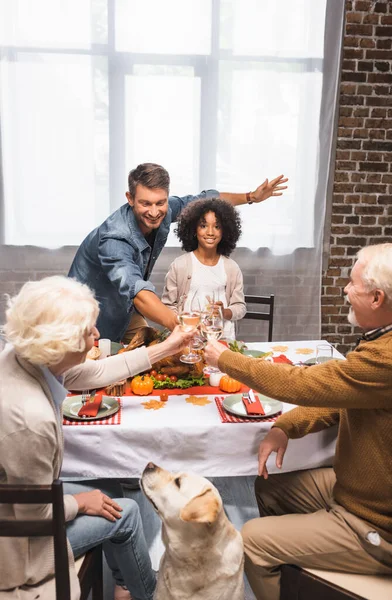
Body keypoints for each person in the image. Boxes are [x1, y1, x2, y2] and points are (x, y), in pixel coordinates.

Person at [204, 242, 392, 600]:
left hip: (380, 527)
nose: (344, 290)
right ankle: (294, 575)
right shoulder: (383, 338)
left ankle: (280, 564)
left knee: (250, 540)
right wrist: (285, 426)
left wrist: (226, 359)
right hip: (354, 492)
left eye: (352, 285)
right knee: (268, 488)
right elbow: (341, 398)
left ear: (376, 298)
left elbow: (303, 384)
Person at [0, 276, 193, 600]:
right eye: (89, 330)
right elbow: (35, 517)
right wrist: (78, 502)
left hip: (21, 503)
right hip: (16, 546)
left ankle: (124, 585)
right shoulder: (30, 420)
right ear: (61, 342)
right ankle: (149, 594)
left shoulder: (24, 356)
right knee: (127, 513)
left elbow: (94, 373)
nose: (98, 335)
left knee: (111, 488)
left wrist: (166, 348)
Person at [68, 163, 288, 343]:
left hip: (124, 311)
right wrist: (181, 325)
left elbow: (205, 199)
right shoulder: (114, 238)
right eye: (145, 203)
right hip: (87, 317)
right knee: (94, 379)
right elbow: (138, 293)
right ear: (130, 197)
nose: (154, 212)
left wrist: (251, 196)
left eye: (160, 203)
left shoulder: (166, 210)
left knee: (153, 357)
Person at [161, 198, 246, 339]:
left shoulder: (232, 268)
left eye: (217, 226)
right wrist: (184, 325)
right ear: (194, 229)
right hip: (188, 341)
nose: (210, 232)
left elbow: (240, 307)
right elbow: (167, 306)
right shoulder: (180, 265)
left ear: (225, 230)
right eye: (203, 226)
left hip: (222, 340)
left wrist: (224, 312)